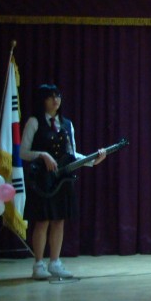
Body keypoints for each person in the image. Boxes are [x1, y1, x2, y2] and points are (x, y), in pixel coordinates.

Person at [20, 84, 107, 280]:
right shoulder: (34, 122)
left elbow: (71, 154)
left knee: (59, 220)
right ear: (42, 100)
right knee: (42, 220)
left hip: (62, 179)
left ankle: (55, 262)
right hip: (42, 180)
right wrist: (43, 155)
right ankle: (38, 264)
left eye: (58, 96)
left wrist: (92, 160)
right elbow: (23, 152)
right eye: (50, 97)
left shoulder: (67, 124)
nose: (55, 100)